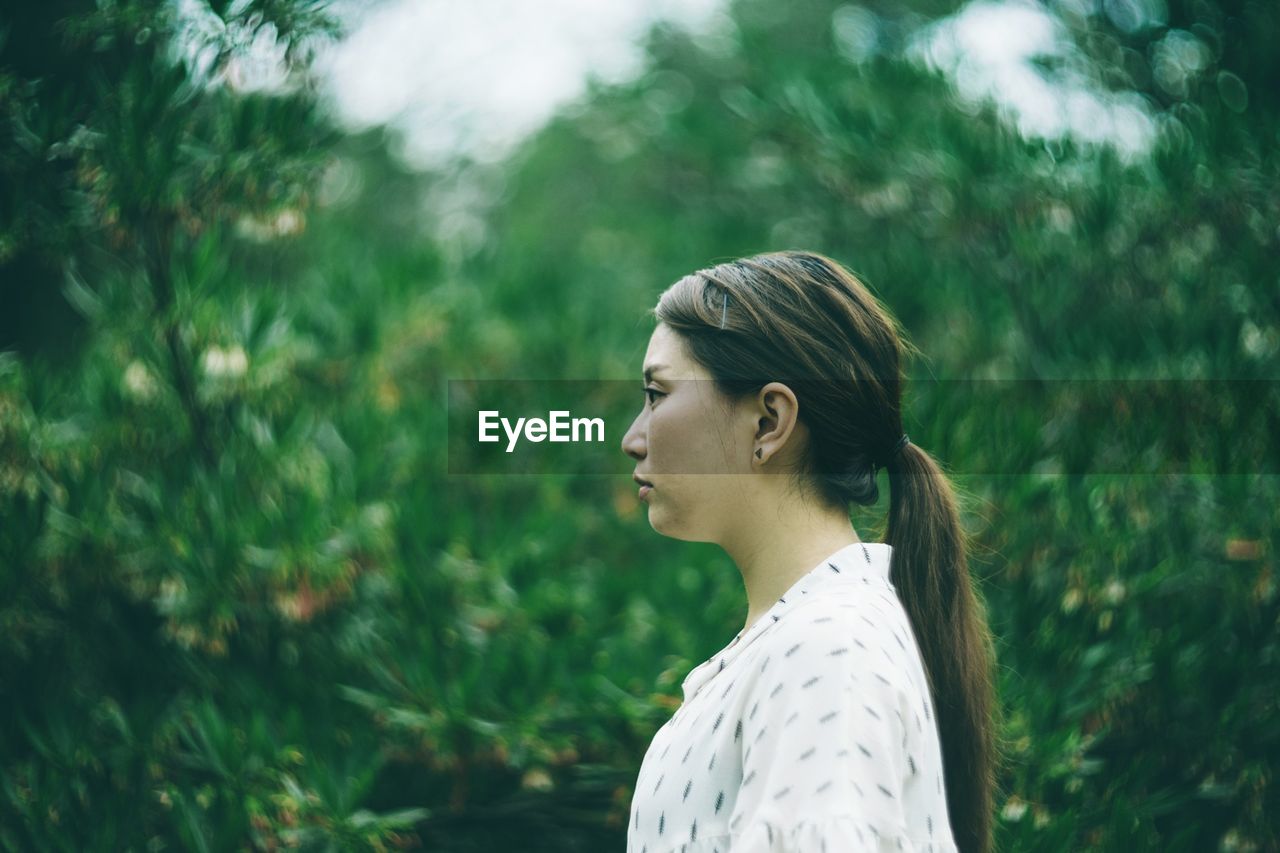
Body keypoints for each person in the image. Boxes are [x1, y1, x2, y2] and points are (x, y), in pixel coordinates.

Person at [620, 251, 1003, 853]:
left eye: (656, 393)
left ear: (769, 421)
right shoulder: (805, 639)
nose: (632, 438)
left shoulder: (827, 645)